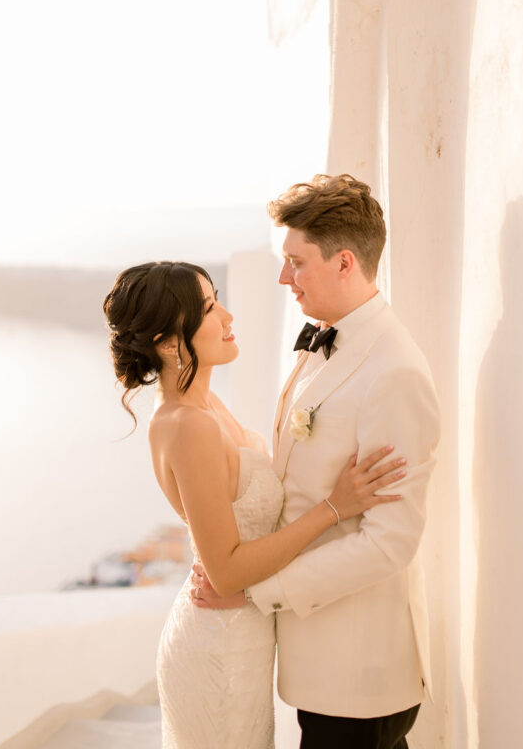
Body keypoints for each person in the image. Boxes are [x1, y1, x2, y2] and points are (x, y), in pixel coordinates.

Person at [102, 260, 408, 749]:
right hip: (218, 646)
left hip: (243, 637)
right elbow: (225, 572)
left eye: (217, 299)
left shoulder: (205, 405)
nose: (227, 316)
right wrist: (334, 507)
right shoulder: (187, 425)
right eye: (208, 309)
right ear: (168, 343)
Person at [192, 174, 441, 749]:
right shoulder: (330, 341)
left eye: (296, 262)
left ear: (344, 262)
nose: (285, 277)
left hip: (357, 671)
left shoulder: (394, 372)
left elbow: (389, 544)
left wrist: (254, 591)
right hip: (324, 668)